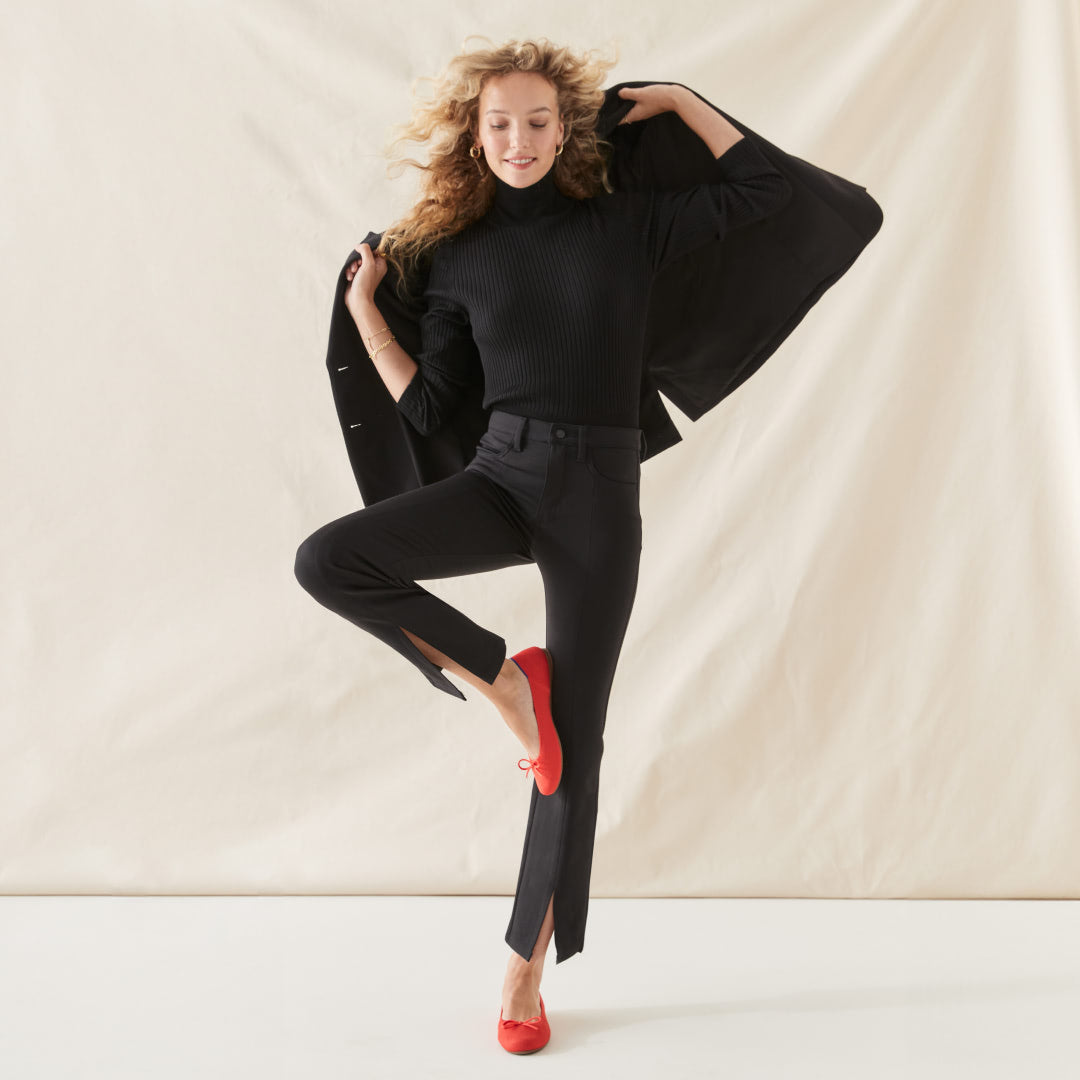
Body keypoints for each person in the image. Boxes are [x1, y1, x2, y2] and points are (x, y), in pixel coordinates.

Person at [293, 36, 791, 1053]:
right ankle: (507, 686)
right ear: (475, 139)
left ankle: (523, 973)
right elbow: (432, 404)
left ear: (565, 128)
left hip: (599, 496)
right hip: (502, 477)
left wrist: (682, 103)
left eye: (535, 120)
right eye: (498, 123)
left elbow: (765, 192)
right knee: (328, 559)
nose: (517, 139)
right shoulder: (460, 256)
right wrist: (365, 315)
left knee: (581, 749)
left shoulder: (626, 224)